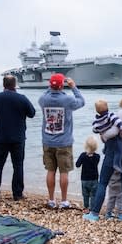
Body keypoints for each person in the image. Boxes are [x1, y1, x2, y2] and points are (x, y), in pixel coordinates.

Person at [83, 88, 122, 224]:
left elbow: (113, 132)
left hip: (114, 153)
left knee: (103, 182)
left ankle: (95, 214)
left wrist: (102, 137)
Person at [38, 73, 85, 209]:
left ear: (49, 85)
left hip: (47, 140)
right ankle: (64, 200)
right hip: (64, 142)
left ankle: (51, 199)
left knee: (50, 170)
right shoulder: (67, 100)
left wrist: (51, 87)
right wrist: (73, 87)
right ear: (61, 85)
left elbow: (46, 92)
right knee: (64, 172)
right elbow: (81, 101)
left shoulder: (43, 100)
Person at [0, 75, 35, 201]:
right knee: (18, 166)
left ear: (3, 84)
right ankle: (17, 194)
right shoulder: (22, 98)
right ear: (15, 84)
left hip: (0, 137)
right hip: (18, 138)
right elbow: (32, 113)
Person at [92, 99, 122, 173]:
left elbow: (94, 129)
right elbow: (117, 121)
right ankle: (116, 164)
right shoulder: (110, 115)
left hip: (106, 138)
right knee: (119, 151)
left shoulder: (97, 119)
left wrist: (99, 131)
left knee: (107, 143)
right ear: (107, 107)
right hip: (115, 138)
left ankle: (105, 150)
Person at [75, 136, 100, 213]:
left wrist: (83, 159)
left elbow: (77, 165)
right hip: (94, 179)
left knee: (85, 194)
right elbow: (95, 163)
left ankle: (86, 208)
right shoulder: (97, 156)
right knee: (93, 195)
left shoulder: (83, 155)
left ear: (85, 146)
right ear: (96, 147)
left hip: (85, 179)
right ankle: (92, 209)